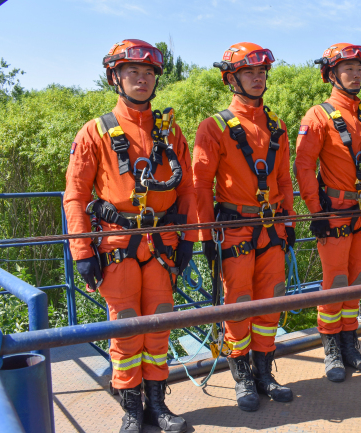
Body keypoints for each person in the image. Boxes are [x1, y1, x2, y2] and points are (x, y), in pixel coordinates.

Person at [64, 39, 196, 433]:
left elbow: (188, 189)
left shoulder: (170, 132)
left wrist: (190, 238)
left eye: (148, 73)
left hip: (162, 244)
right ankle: (131, 409)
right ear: (116, 78)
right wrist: (81, 251)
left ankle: (157, 404)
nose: (142, 79)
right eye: (133, 72)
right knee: (124, 328)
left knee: (159, 324)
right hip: (118, 246)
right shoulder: (95, 132)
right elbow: (75, 195)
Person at [193, 42, 295, 412]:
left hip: (271, 228)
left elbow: (283, 180)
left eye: (261, 72)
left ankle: (264, 372)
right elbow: (200, 185)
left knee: (271, 301)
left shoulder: (277, 126)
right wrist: (206, 235)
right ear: (231, 79)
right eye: (249, 72)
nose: (257, 78)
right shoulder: (214, 126)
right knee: (237, 304)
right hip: (234, 230)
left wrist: (289, 220)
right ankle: (242, 376)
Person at [294, 43, 361, 383]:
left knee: (358, 282)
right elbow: (304, 166)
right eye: (349, 69)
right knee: (335, 284)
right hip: (335, 212)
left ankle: (350, 346)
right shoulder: (318, 116)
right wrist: (316, 212)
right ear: (331, 74)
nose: (356, 74)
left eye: (359, 69)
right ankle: (331, 350)